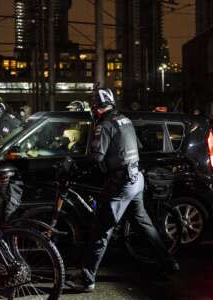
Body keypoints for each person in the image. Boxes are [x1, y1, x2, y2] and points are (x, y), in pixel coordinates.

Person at [68, 88, 179, 292]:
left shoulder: (105, 124)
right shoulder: (125, 120)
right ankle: (169, 263)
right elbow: (137, 146)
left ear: (97, 108)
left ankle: (87, 279)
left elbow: (96, 157)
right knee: (144, 224)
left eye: (93, 107)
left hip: (120, 182)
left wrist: (73, 163)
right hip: (136, 179)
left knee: (101, 229)